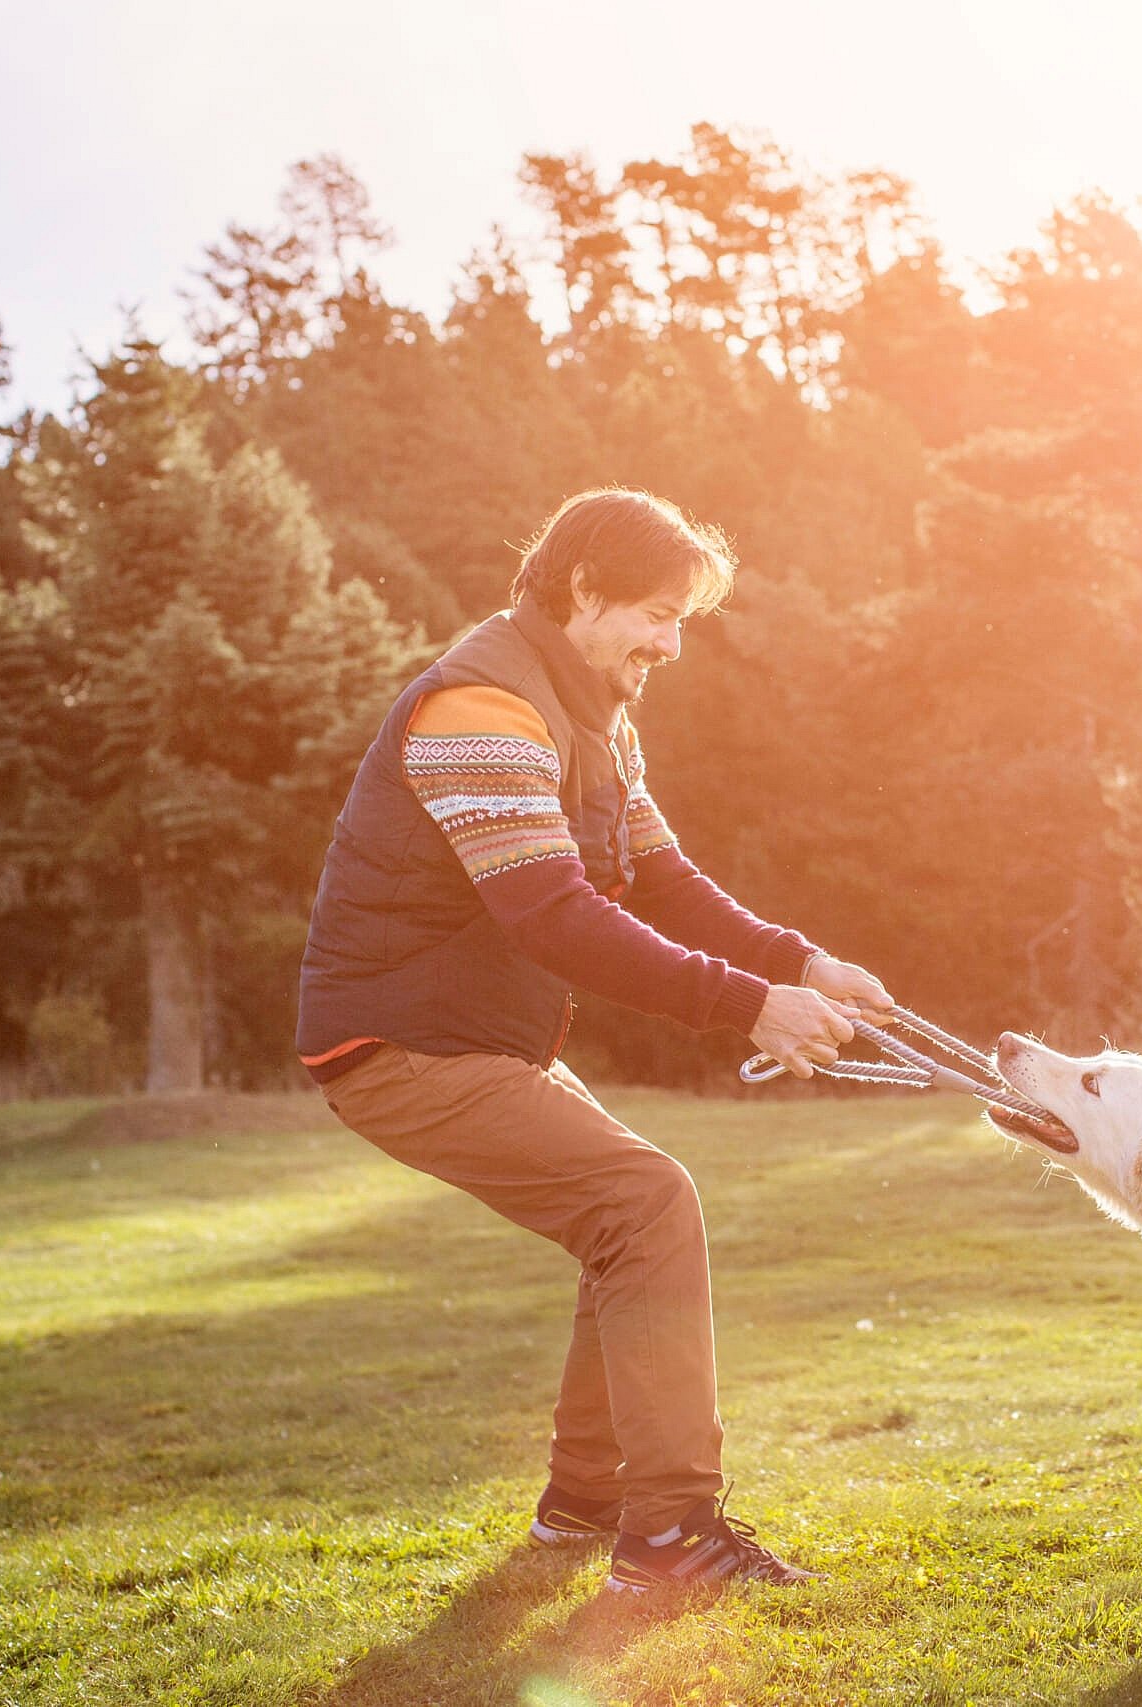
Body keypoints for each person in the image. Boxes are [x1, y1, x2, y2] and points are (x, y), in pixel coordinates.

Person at [295, 487, 887, 1594]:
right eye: (656, 614)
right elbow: (553, 914)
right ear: (581, 590)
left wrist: (800, 964)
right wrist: (749, 1006)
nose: (669, 643)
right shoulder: (480, 710)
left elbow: (663, 878)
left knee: (626, 1221)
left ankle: (583, 1506)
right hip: (398, 1046)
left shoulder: (598, 718)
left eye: (681, 622)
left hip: (475, 1042)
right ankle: (669, 1536)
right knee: (645, 1202)